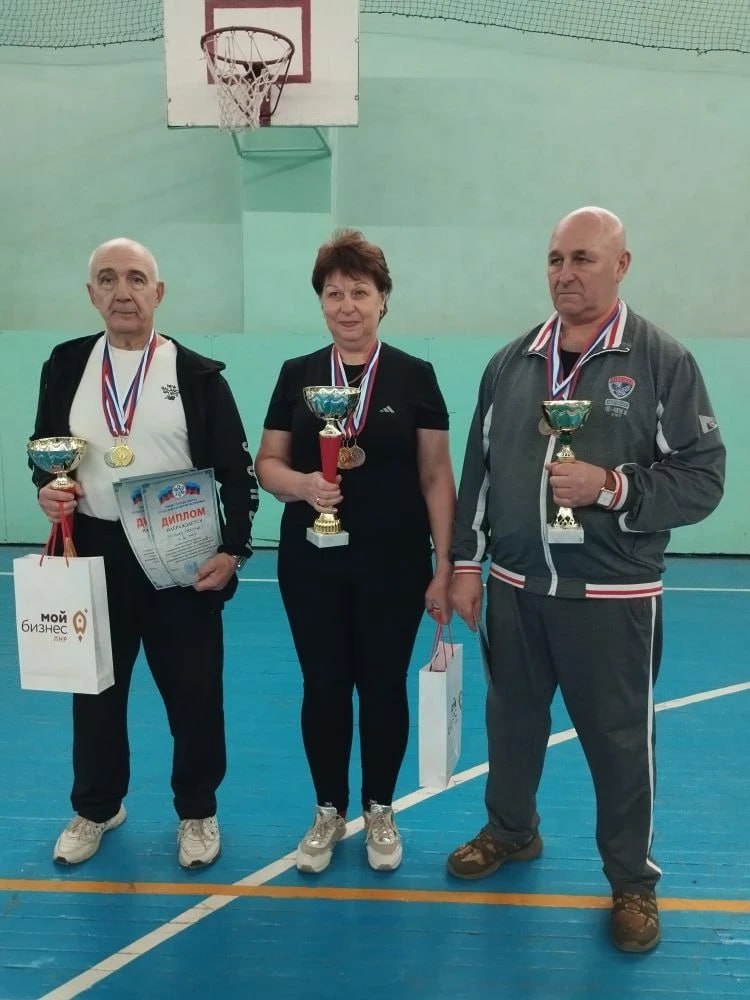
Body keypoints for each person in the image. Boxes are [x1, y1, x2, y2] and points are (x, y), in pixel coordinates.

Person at [447, 207, 725, 952]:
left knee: (619, 742)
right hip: (514, 589)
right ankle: (511, 829)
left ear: (621, 265)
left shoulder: (662, 361)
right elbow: (479, 474)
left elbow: (704, 479)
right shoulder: (511, 363)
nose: (565, 274)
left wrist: (613, 486)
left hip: (612, 597)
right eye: (555, 259)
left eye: (583, 259)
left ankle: (632, 881)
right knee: (511, 722)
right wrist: (467, 565)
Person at [31, 238, 258, 869]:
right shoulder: (66, 364)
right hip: (95, 548)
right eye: (107, 279)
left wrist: (233, 551)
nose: (122, 291)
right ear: (92, 294)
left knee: (194, 691)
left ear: (158, 293)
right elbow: (44, 450)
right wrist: (48, 488)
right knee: (95, 691)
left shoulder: (197, 374)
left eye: (136, 279)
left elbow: (236, 472)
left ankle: (198, 810)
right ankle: (97, 806)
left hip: (179, 550)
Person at [255, 229, 455, 873]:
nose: (347, 306)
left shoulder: (416, 376)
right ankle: (327, 810)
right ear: (321, 302)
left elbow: (436, 476)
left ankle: (380, 808)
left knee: (382, 685)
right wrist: (303, 486)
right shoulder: (298, 375)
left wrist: (445, 564)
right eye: (334, 293)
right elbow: (267, 463)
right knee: (323, 685)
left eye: (360, 292)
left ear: (383, 299)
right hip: (311, 562)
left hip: (394, 565)